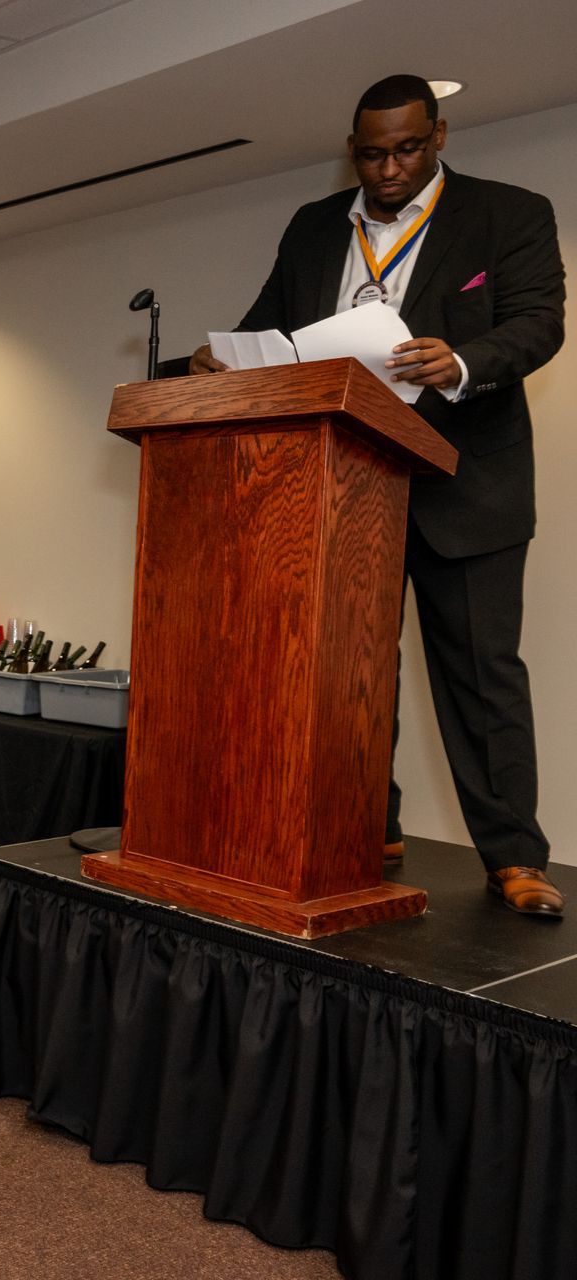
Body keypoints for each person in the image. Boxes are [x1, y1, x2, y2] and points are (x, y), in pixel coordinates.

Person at [189, 75, 566, 916]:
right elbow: (273, 327)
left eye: (406, 149)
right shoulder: (315, 226)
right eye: (370, 153)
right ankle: (368, 831)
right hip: (343, 488)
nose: (388, 168)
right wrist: (219, 360)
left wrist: (464, 362)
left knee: (481, 675)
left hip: (468, 486)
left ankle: (514, 856)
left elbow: (540, 322)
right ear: (350, 149)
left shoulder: (511, 213)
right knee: (350, 677)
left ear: (438, 135)